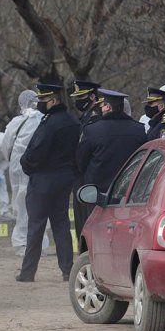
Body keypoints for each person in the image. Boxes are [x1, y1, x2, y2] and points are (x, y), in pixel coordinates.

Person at [16, 83, 80, 282]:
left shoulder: (50, 122)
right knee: (61, 224)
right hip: (64, 178)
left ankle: (28, 272)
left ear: (52, 100)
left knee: (36, 225)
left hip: (43, 179)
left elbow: (36, 151)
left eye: (43, 100)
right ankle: (67, 270)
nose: (40, 104)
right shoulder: (72, 121)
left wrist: (25, 164)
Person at [0, 90, 50, 256]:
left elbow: (5, 146)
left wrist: (12, 160)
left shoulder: (16, 122)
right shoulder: (45, 120)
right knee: (40, 204)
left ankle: (22, 242)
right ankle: (40, 243)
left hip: (18, 166)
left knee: (21, 204)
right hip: (40, 166)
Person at [77, 89, 146, 194]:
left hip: (97, 192)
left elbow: (81, 162)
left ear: (108, 107)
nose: (101, 109)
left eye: (102, 106)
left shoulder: (91, 130)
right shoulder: (138, 129)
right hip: (129, 190)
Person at [69, 80, 101, 240]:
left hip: (88, 175)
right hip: (81, 175)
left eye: (82, 96)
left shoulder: (96, 117)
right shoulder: (86, 117)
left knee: (86, 220)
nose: (78, 101)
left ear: (92, 96)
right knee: (81, 220)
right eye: (77, 97)